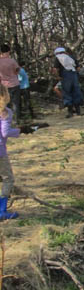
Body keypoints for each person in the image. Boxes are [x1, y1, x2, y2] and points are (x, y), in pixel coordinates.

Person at [0, 84, 20, 220]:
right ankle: (2, 211)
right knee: (8, 179)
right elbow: (5, 132)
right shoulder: (4, 112)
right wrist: (21, 131)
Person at [52, 46, 84, 118]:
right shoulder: (71, 57)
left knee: (67, 93)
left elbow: (55, 69)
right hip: (74, 75)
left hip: (65, 76)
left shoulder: (58, 58)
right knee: (76, 92)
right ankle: (78, 112)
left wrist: (58, 77)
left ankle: (70, 112)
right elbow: (78, 68)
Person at [0, 44, 21, 122]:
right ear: (8, 51)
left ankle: (6, 121)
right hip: (14, 83)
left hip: (4, 85)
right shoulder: (12, 60)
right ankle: (16, 120)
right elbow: (18, 69)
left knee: (5, 104)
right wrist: (15, 73)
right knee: (15, 103)